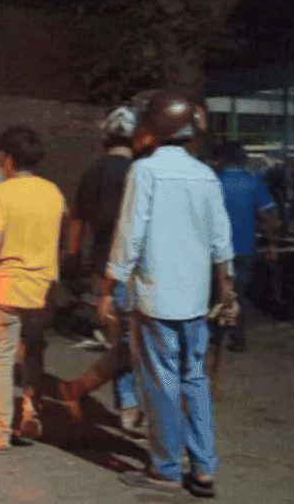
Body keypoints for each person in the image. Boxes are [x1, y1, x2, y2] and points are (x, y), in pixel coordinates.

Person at [100, 91, 237, 497]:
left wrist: (109, 288)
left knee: (161, 383)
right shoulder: (206, 175)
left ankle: (164, 468)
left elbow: (129, 237)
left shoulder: (144, 172)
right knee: (194, 379)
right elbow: (221, 241)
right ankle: (204, 467)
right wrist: (228, 293)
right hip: (195, 299)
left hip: (154, 297)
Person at [0, 125, 67, 450]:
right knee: (33, 350)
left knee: (2, 358)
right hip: (44, 286)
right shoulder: (54, 192)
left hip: (8, 285)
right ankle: (31, 410)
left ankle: (1, 431)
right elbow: (63, 231)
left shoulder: (0, 193)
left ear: (6, 159)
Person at [59, 105, 141, 431]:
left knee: (123, 336)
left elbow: (77, 221)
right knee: (131, 339)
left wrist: (73, 257)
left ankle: (127, 405)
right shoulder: (141, 172)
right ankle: (120, 403)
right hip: (135, 263)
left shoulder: (93, 172)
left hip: (102, 263)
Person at [213, 140, 280, 352]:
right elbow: (269, 215)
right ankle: (238, 338)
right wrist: (271, 245)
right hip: (245, 249)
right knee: (239, 294)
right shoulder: (254, 182)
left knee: (216, 293)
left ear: (220, 160)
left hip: (215, 252)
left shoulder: (212, 182)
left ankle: (217, 335)